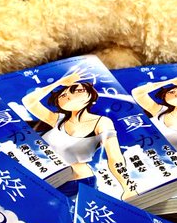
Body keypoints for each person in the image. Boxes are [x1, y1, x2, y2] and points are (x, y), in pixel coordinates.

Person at [21, 71, 135, 199]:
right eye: (63, 94)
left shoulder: (102, 122)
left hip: (79, 183)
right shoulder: (57, 119)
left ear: (91, 96)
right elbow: (29, 101)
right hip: (47, 180)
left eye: (78, 91)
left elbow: (114, 157)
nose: (68, 95)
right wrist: (59, 82)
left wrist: (127, 187)